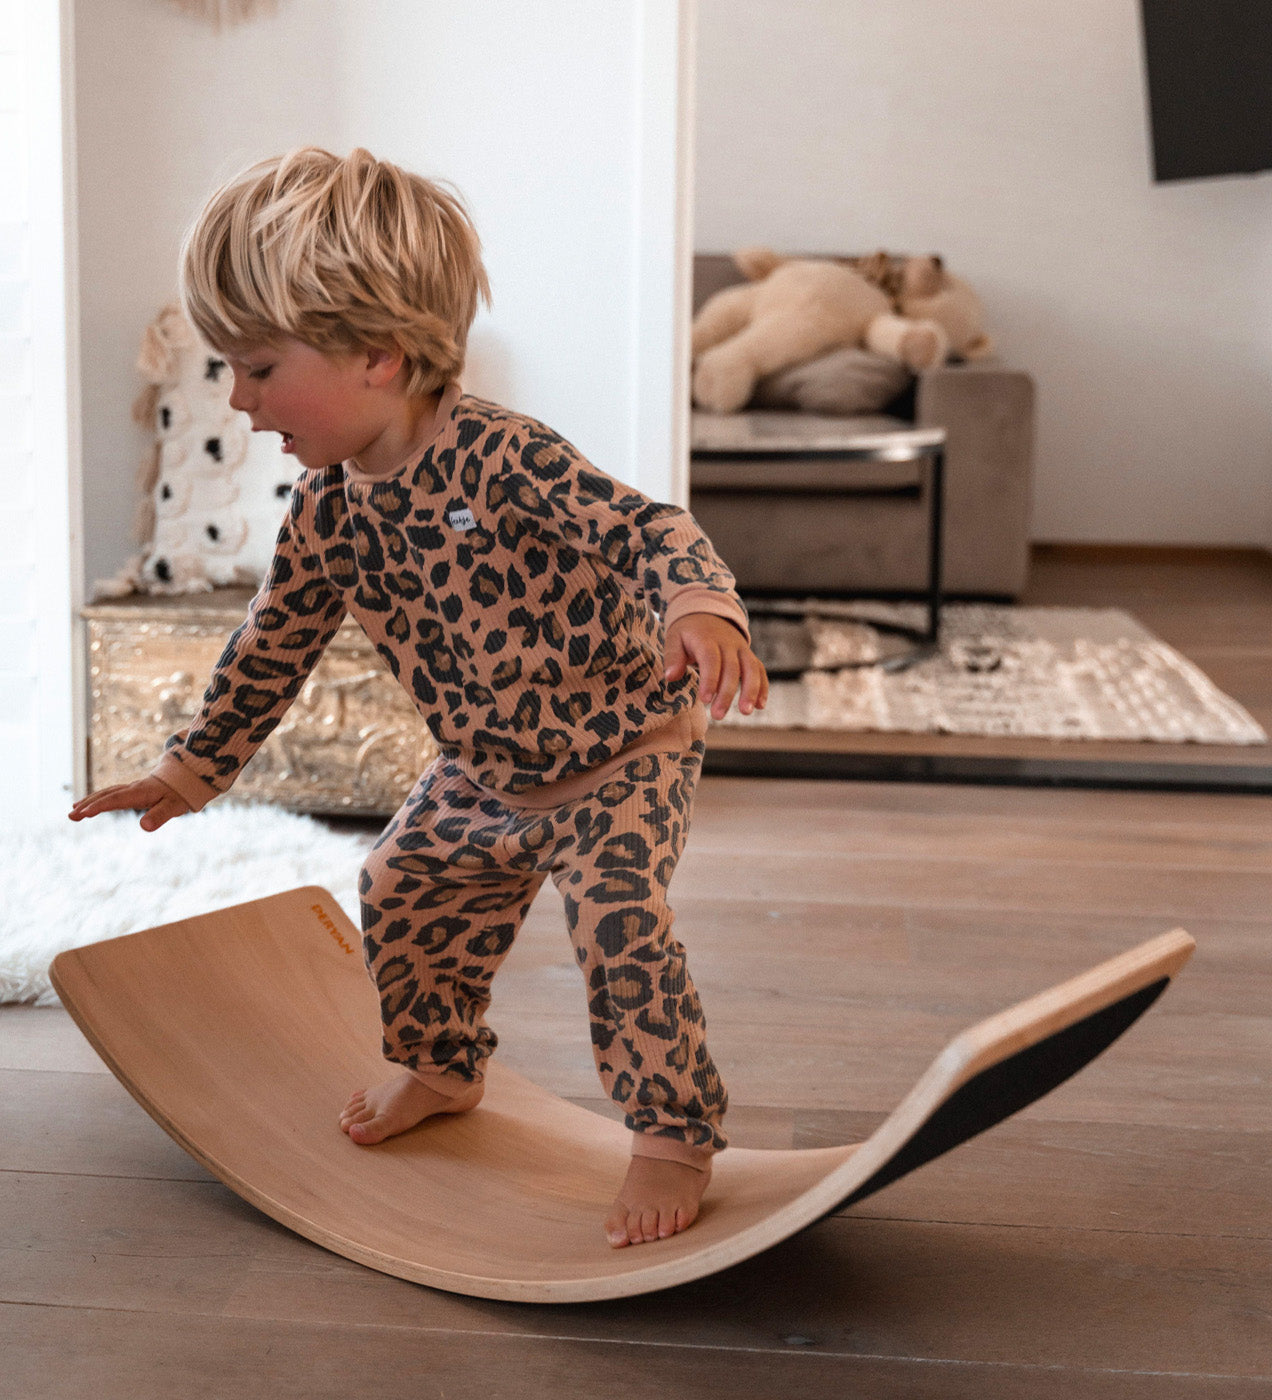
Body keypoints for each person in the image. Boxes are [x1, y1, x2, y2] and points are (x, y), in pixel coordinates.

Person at [70, 147, 769, 1249]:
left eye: (256, 371)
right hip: (483, 771)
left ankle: (673, 1134)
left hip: (621, 752)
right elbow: (272, 644)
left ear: (379, 359)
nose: (241, 404)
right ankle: (441, 1070)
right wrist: (191, 766)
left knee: (619, 923)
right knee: (398, 883)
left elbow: (645, 527)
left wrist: (698, 606)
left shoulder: (505, 458)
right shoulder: (327, 512)